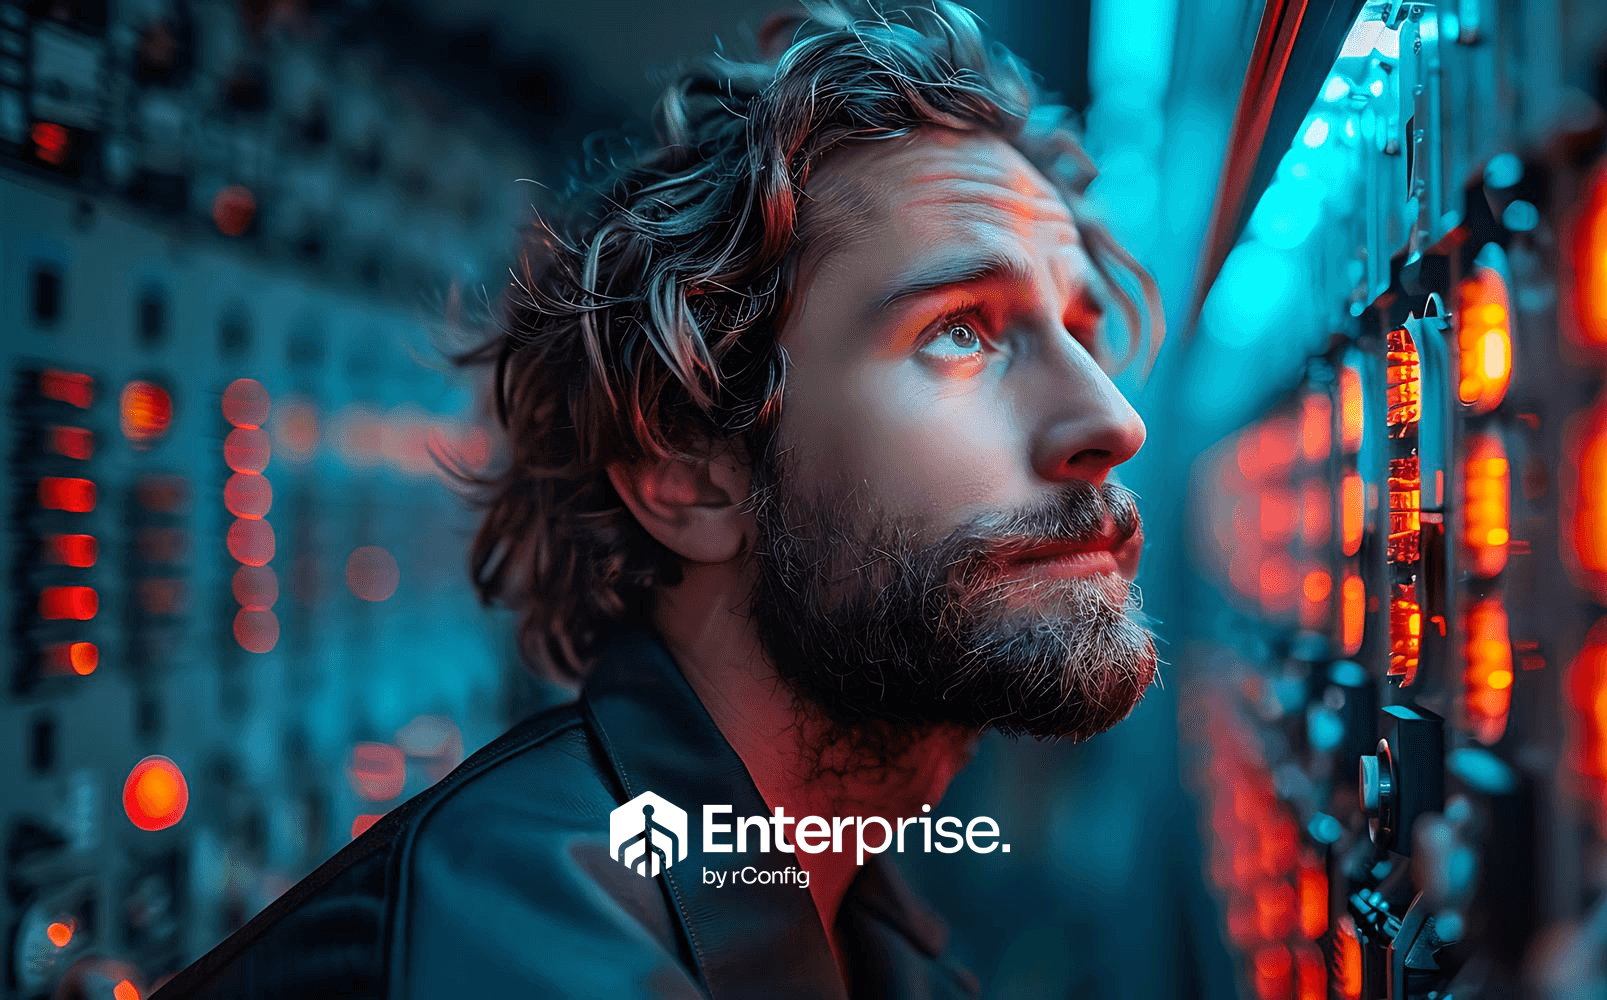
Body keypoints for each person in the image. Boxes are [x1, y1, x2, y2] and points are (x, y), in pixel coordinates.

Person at [154, 3, 1161, 997]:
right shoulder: (513, 947)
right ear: (687, 472)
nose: (1111, 420)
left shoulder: (844, 904)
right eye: (959, 330)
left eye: (1081, 330)